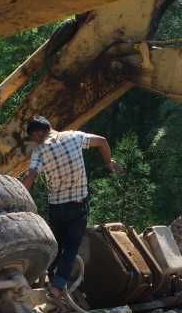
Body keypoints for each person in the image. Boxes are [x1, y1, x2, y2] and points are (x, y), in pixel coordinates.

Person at [22, 115, 124, 299]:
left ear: (38, 133)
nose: (34, 140)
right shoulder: (74, 136)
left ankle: (46, 279)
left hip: (57, 208)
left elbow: (30, 178)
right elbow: (102, 141)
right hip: (78, 205)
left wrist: (19, 199)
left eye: (33, 137)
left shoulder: (39, 151)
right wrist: (109, 162)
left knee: (56, 245)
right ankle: (57, 286)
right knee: (70, 247)